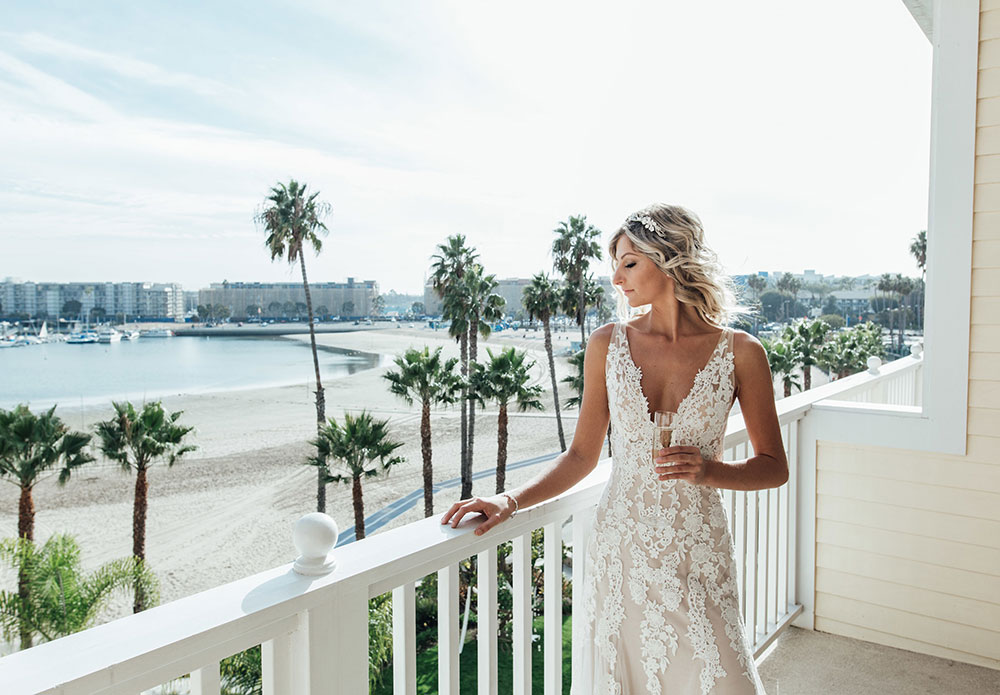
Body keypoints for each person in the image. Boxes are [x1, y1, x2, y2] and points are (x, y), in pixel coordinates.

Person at [442, 203, 787, 694]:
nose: (617, 280)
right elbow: (582, 455)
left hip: (697, 549)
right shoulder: (608, 344)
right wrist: (508, 500)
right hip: (621, 549)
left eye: (629, 263)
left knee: (728, 681)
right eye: (615, 266)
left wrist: (710, 471)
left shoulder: (742, 352)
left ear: (669, 259)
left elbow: (774, 467)